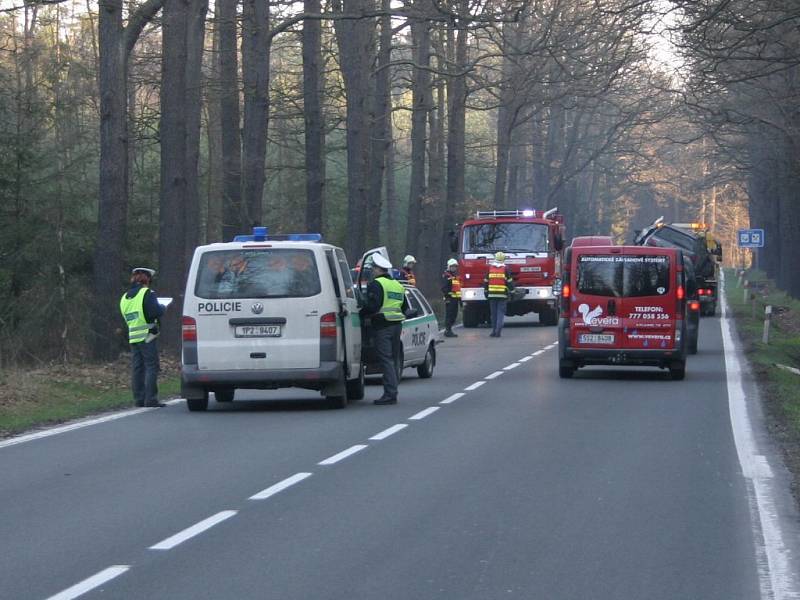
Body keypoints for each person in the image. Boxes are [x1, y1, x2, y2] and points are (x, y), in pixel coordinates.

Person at [360, 254, 409, 405]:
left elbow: (373, 306)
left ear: (377, 269)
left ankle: (390, 394)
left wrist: (361, 312)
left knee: (385, 359)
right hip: (396, 325)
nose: (372, 271)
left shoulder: (376, 284)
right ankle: (392, 391)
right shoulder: (397, 285)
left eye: (373, 268)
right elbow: (405, 307)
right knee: (393, 359)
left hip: (382, 325)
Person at [119, 267, 166, 407]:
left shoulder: (124, 297)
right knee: (152, 366)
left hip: (133, 335)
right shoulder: (147, 293)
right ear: (147, 279)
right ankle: (151, 398)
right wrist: (163, 308)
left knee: (137, 368)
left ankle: (139, 398)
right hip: (147, 335)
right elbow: (154, 312)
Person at [484, 251, 514, 338]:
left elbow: (486, 281)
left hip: (492, 295)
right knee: (500, 313)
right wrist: (512, 292)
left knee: (493, 314)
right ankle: (498, 331)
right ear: (503, 259)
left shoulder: (490, 268)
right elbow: (510, 282)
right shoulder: (505, 269)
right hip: (502, 295)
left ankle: (493, 331)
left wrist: (486, 291)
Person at [441, 258, 461, 337]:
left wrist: (460, 300)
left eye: (455, 267)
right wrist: (447, 297)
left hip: (455, 299)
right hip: (450, 299)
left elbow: (457, 288)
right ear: (449, 266)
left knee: (454, 315)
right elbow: (444, 288)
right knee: (449, 315)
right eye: (452, 266)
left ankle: (449, 329)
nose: (454, 268)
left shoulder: (455, 276)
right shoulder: (447, 276)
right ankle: (448, 330)